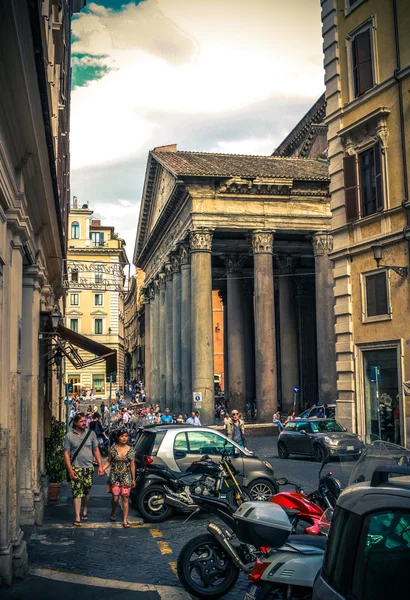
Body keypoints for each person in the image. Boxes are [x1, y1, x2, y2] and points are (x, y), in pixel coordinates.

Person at [64, 413, 104, 527]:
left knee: (86, 492)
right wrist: (70, 469)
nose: (84, 423)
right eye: (81, 421)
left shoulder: (91, 434)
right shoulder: (69, 436)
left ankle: (85, 508)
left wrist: (100, 466)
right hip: (76, 467)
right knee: (77, 492)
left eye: (85, 421)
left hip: (88, 467)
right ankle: (77, 516)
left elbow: (96, 450)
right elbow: (66, 453)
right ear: (76, 422)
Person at [102, 428, 136, 528]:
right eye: (122, 436)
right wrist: (102, 469)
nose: (124, 438)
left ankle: (125, 520)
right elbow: (109, 461)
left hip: (126, 477)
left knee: (125, 498)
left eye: (126, 436)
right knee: (115, 498)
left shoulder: (131, 450)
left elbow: (132, 465)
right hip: (114, 476)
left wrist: (133, 479)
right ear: (118, 437)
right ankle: (113, 512)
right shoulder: (112, 449)